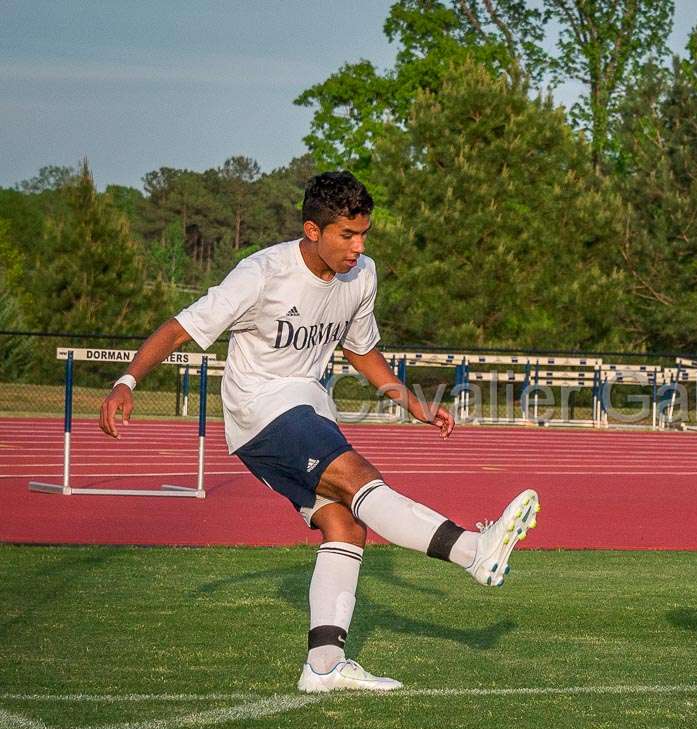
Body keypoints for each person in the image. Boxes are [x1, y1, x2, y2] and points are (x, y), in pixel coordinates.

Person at [98, 171, 538, 694]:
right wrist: (127, 381)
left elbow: (360, 350)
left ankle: (324, 665)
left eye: (364, 234)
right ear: (313, 230)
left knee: (346, 527)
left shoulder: (362, 275)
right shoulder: (260, 273)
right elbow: (180, 328)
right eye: (347, 236)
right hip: (259, 411)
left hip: (307, 404)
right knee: (359, 480)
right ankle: (474, 551)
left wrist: (412, 403)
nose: (359, 247)